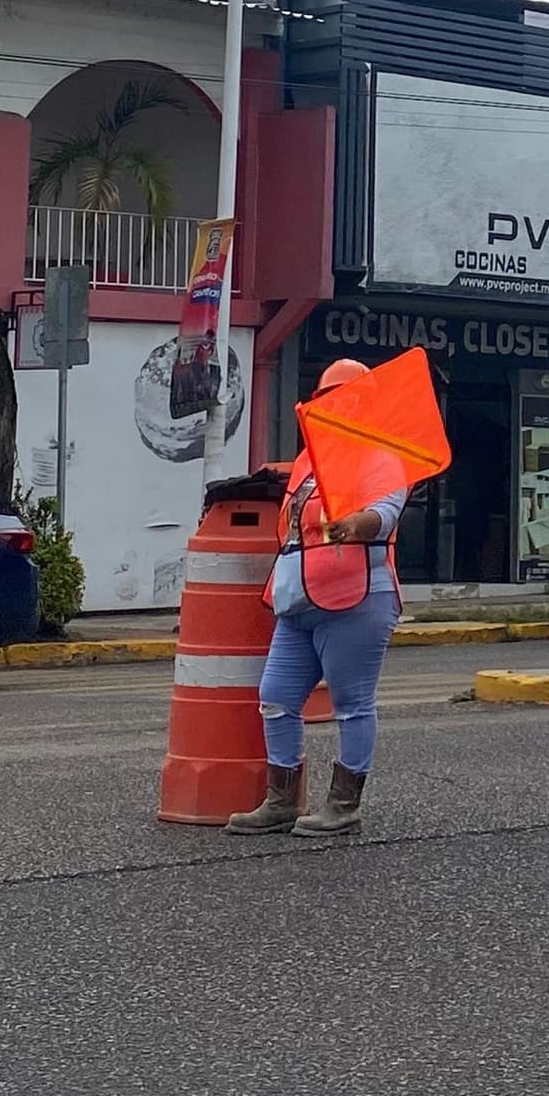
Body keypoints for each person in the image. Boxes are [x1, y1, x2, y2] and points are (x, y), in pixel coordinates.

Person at [230, 357, 409, 840]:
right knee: (276, 698)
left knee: (351, 703)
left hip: (356, 598)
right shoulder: (310, 461)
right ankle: (282, 800)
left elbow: (387, 513)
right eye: (324, 400)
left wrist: (357, 524)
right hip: (299, 599)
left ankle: (343, 805)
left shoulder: (381, 456)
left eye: (340, 400)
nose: (329, 408)